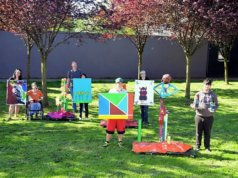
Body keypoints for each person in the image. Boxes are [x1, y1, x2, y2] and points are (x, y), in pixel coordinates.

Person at [191, 79, 219, 152]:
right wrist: (194, 106)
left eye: (208, 85)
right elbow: (194, 104)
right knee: (198, 132)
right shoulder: (198, 94)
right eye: (206, 85)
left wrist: (214, 109)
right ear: (203, 85)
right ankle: (197, 146)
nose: (207, 86)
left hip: (209, 117)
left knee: (207, 133)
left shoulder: (213, 94)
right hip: (199, 116)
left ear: (210, 86)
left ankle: (207, 147)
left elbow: (216, 105)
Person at [103, 78, 127, 148]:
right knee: (109, 129)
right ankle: (107, 142)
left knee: (121, 129)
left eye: (120, 83)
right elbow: (107, 101)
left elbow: (126, 103)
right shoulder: (111, 91)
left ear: (122, 84)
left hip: (121, 114)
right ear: (115, 83)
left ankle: (120, 142)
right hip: (112, 114)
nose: (119, 84)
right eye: (117, 83)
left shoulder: (125, 92)